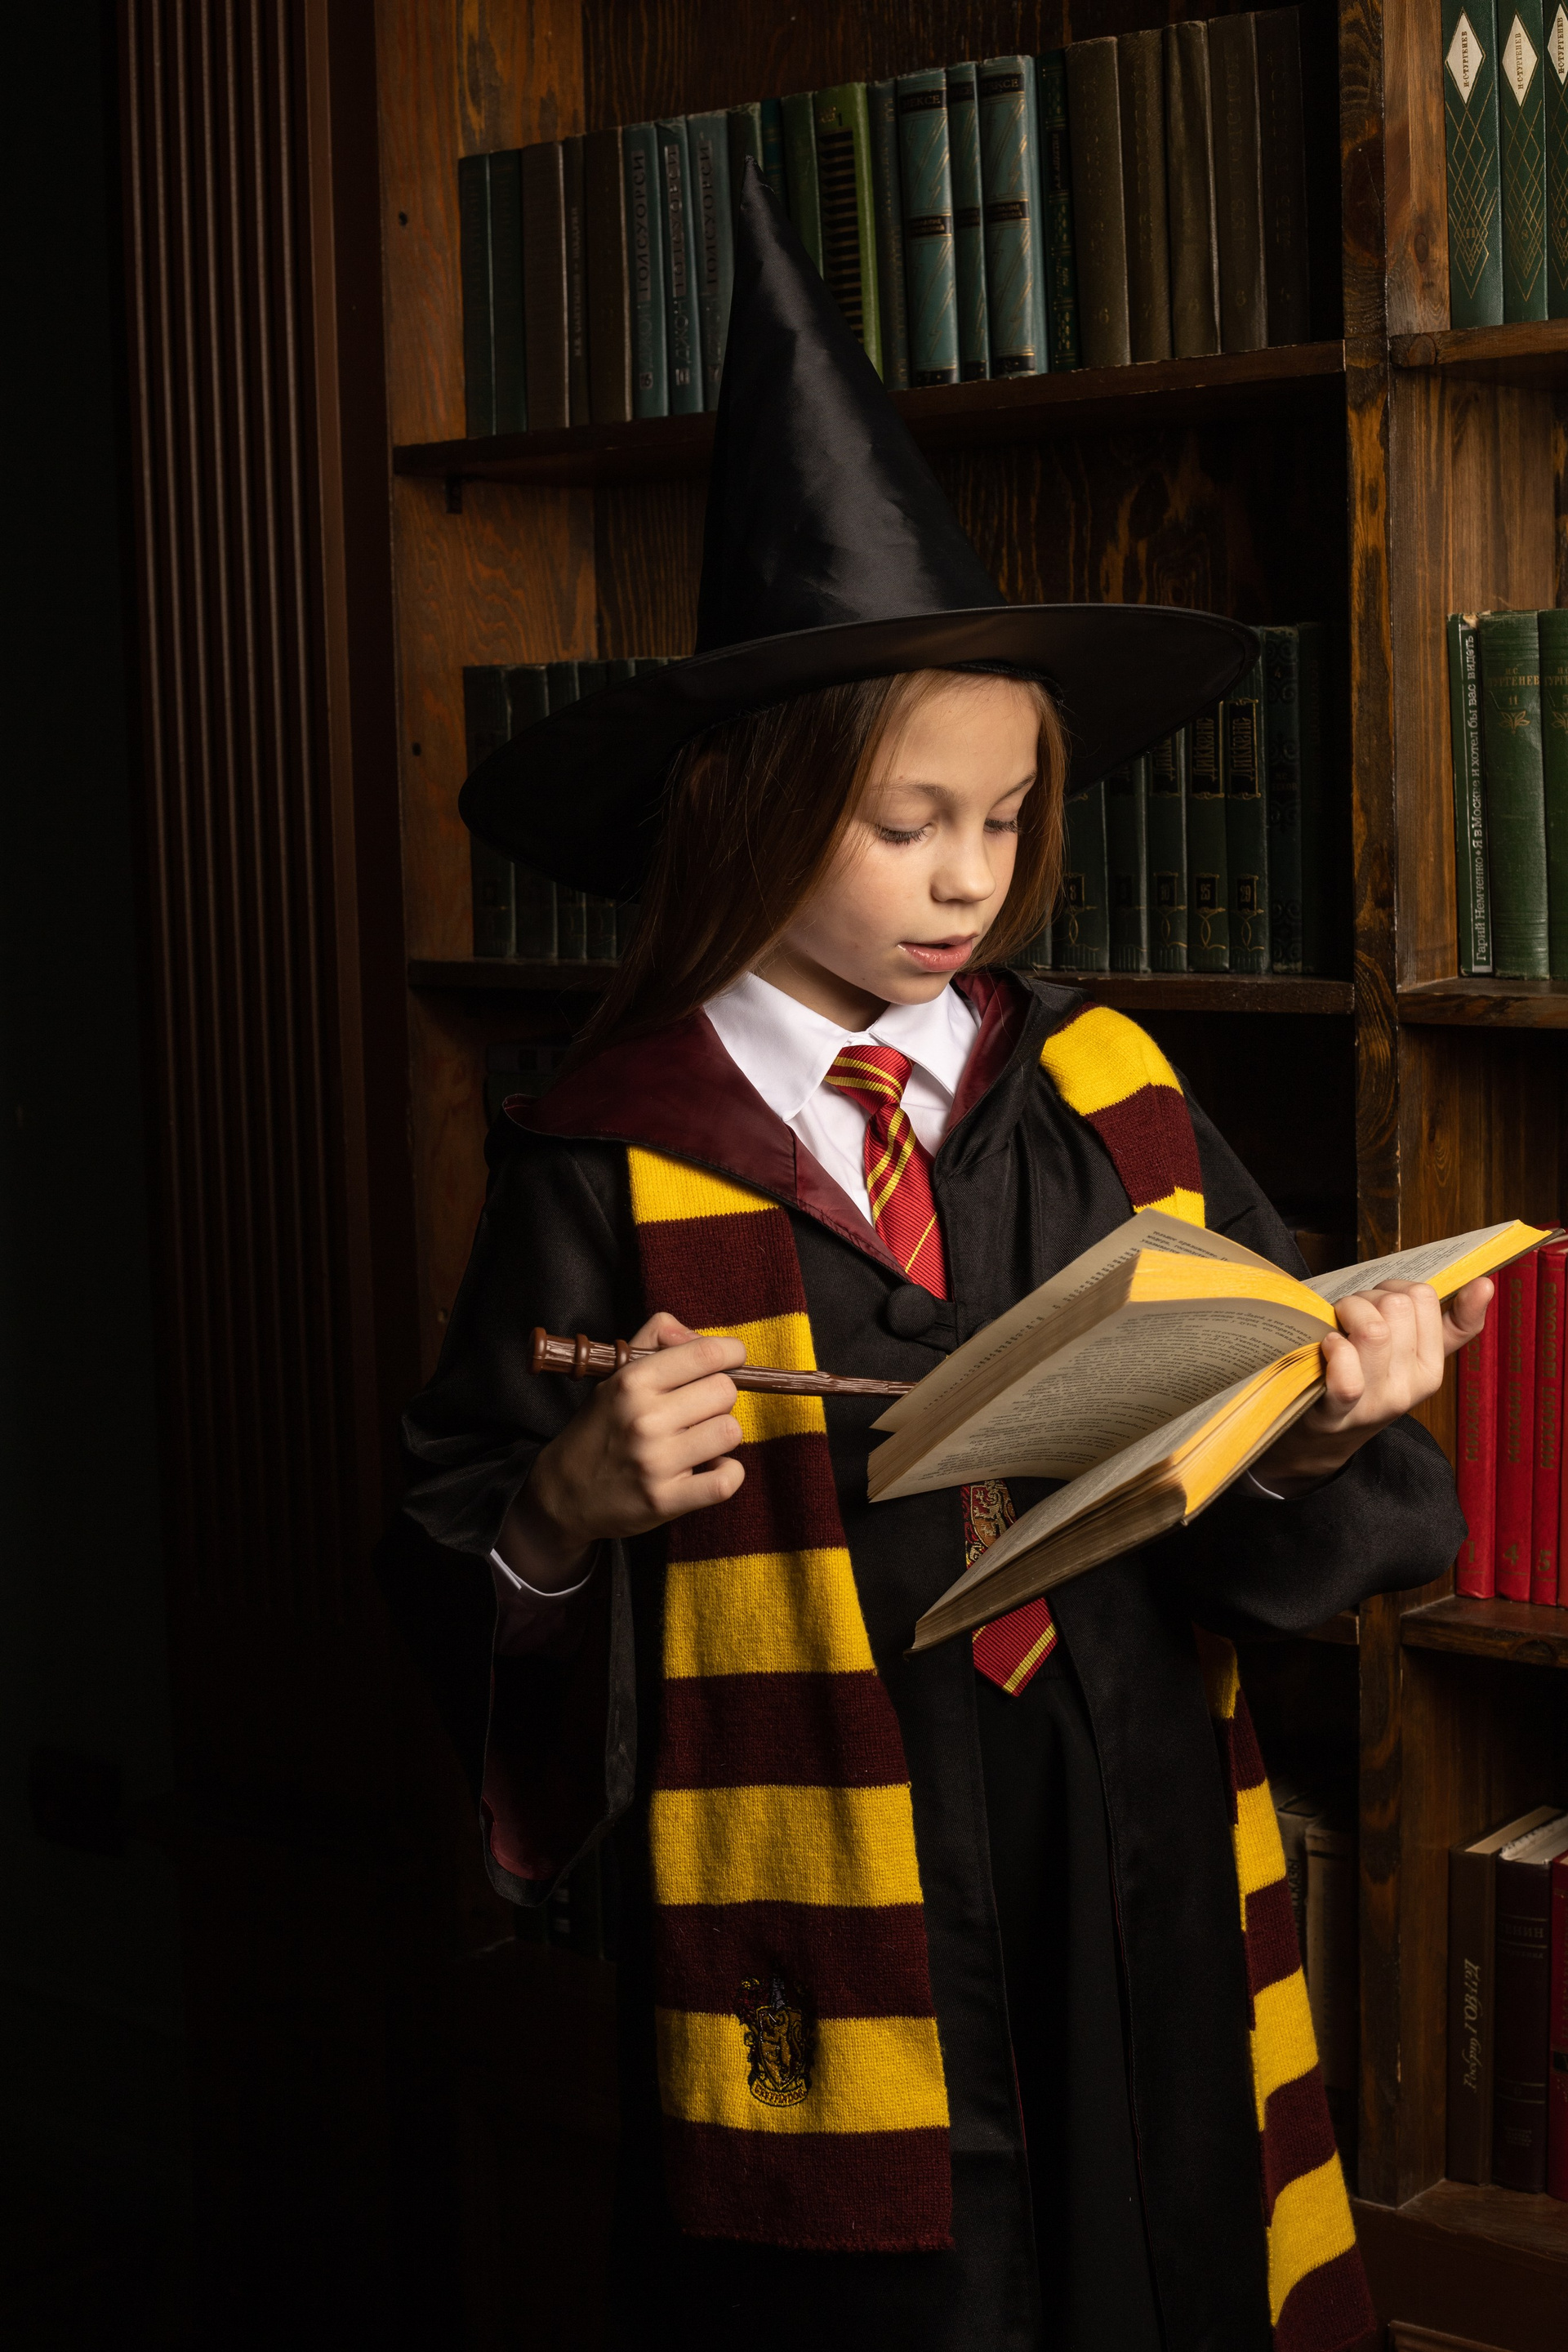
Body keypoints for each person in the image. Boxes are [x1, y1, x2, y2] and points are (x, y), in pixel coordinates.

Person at [397, 166, 1476, 2352]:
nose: (967, 879)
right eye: (905, 825)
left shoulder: (1103, 1089)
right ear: (740, 808)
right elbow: (460, 1560)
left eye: (1003, 821)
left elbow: (1258, 1447)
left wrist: (1317, 1420)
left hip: (1128, 1822)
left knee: (1168, 2257)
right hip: (828, 1877)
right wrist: (565, 1508)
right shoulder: (610, 1155)